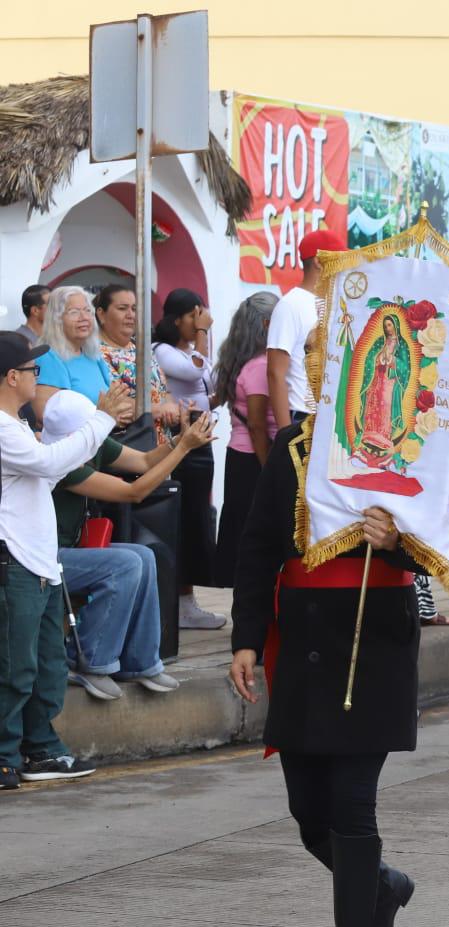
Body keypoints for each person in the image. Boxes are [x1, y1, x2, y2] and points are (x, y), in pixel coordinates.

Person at [228, 418, 422, 927]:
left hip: (375, 631)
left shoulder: (418, 437)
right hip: (304, 629)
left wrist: (399, 540)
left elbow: (447, 544)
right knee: (309, 811)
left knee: (351, 804)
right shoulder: (295, 443)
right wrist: (248, 638)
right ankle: (382, 886)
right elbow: (259, 543)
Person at [0, 333, 132, 790]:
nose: (39, 377)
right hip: (13, 562)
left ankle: (41, 749)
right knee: (14, 668)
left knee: (46, 665)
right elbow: (45, 462)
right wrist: (101, 419)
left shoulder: (15, 424)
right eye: (34, 370)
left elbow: (53, 466)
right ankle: (4, 756)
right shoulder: (1, 428)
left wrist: (94, 425)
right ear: (12, 376)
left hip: (37, 561)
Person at [44, 390, 211, 700]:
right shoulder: (61, 462)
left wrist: (180, 441)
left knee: (143, 556)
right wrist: (184, 448)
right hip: (45, 558)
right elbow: (134, 492)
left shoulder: (91, 444)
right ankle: (87, 660)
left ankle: (139, 661)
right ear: (75, 433)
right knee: (125, 563)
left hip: (69, 552)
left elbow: (146, 461)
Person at [150, 290, 224, 628]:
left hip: (201, 436)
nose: (200, 322)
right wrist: (205, 334)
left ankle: (188, 599)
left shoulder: (191, 352)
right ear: (177, 318)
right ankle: (178, 600)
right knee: (184, 516)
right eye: (196, 316)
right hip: (179, 439)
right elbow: (195, 373)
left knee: (198, 517)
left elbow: (203, 385)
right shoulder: (161, 351)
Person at [211, 292, 281, 588]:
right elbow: (256, 425)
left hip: (240, 458)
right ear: (266, 323)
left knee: (243, 532)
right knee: (255, 538)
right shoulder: (261, 367)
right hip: (254, 459)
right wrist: (270, 470)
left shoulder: (242, 361)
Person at [268, 229, 343, 431]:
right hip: (300, 417)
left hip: (327, 417)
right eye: (339, 258)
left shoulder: (334, 304)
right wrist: (286, 435)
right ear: (319, 261)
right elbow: (275, 373)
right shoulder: (290, 305)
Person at [96, 284, 183, 440]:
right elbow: (117, 404)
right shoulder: (97, 353)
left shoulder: (142, 348)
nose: (131, 315)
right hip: (129, 446)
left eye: (134, 309)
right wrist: (161, 410)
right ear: (101, 315)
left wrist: (171, 412)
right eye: (122, 308)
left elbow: (165, 390)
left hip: (161, 444)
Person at [34, 285, 114, 420]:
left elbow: (115, 400)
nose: (83, 317)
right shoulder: (48, 358)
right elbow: (47, 416)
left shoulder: (93, 355)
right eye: (74, 312)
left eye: (87, 310)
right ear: (56, 319)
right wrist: (104, 417)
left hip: (107, 434)